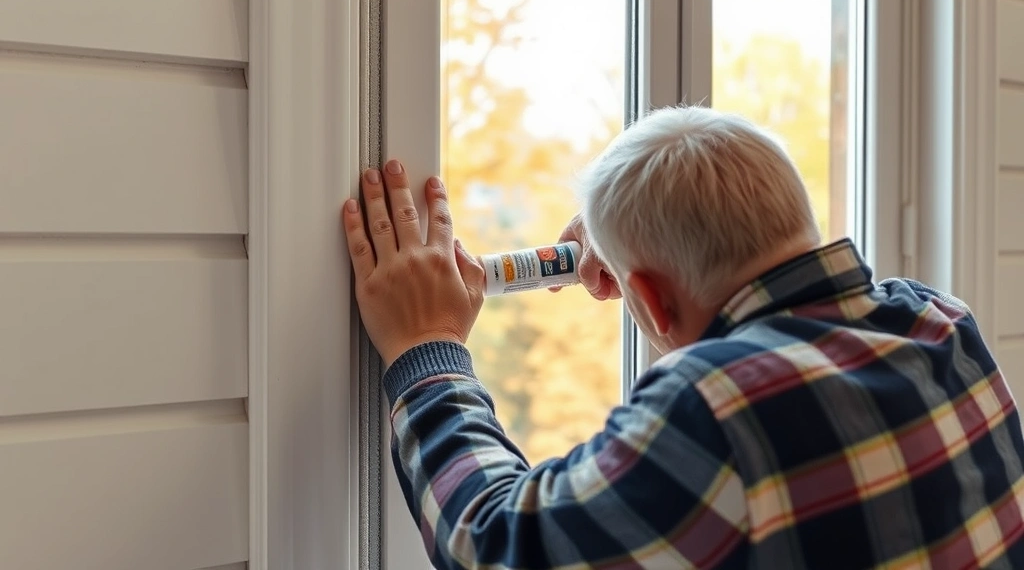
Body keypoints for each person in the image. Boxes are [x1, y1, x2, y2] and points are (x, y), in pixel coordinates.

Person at [341, 105, 1024, 569]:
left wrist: (427, 344)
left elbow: (490, 545)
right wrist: (644, 230)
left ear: (650, 298)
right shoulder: (939, 322)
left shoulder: (716, 407)